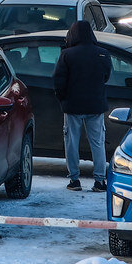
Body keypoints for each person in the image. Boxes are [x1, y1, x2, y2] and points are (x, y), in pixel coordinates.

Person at [52, 20, 112, 192]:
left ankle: (74, 180)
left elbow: (58, 81)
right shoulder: (102, 53)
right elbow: (106, 76)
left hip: (73, 106)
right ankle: (100, 181)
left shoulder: (67, 54)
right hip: (96, 106)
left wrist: (63, 98)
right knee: (98, 143)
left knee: (71, 143)